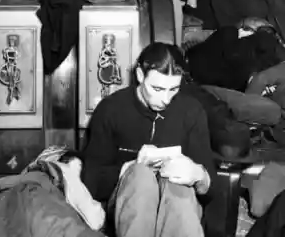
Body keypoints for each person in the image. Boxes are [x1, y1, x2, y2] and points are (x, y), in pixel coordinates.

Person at [82, 42, 215, 237]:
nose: (166, 99)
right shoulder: (111, 109)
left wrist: (198, 174)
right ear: (139, 75)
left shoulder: (191, 111)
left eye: (174, 89)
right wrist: (127, 169)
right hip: (127, 200)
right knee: (140, 177)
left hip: (178, 204)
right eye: (158, 89)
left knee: (177, 186)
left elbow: (213, 190)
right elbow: (91, 180)